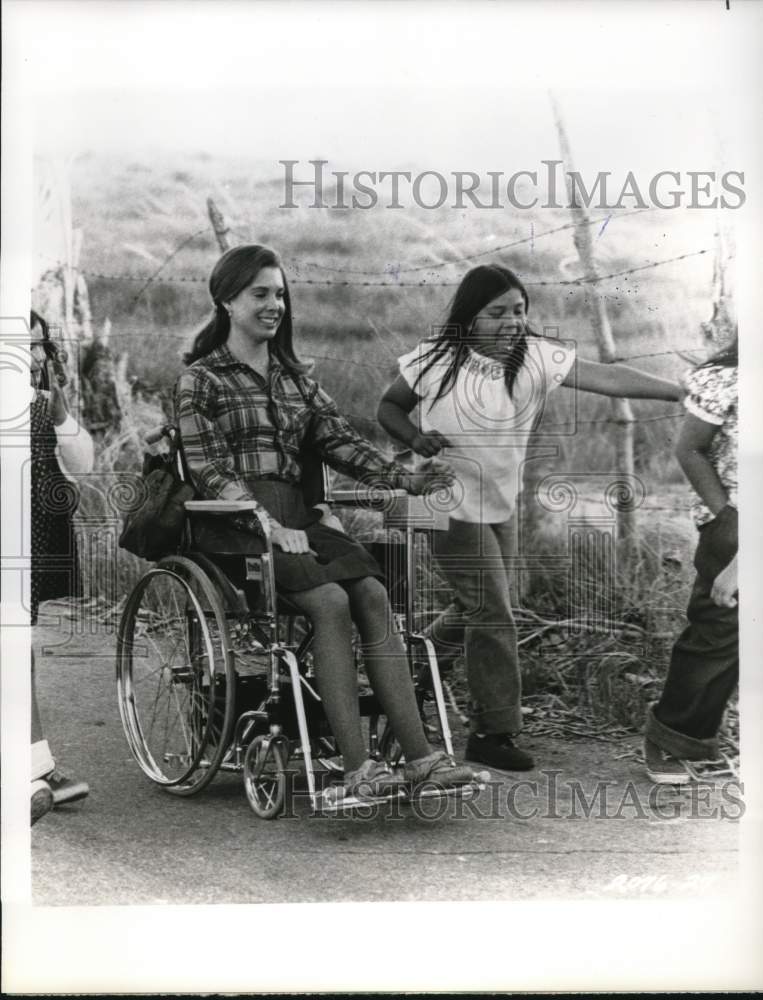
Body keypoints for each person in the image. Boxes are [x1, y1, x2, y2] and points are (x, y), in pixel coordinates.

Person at [174, 244, 479, 804]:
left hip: (300, 519)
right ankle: (358, 769)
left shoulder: (296, 381)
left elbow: (341, 443)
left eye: (280, 294)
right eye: (260, 294)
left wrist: (404, 479)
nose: (275, 305)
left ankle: (421, 760)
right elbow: (208, 469)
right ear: (227, 301)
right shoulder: (202, 381)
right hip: (234, 524)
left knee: (371, 593)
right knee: (330, 601)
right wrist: (266, 522)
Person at [378, 264, 683, 773]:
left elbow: (608, 378)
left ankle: (411, 664)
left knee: (490, 603)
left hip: (499, 502)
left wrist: (679, 391)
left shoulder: (536, 356)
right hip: (443, 500)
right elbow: (389, 407)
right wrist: (414, 439)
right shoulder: (436, 358)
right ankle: (492, 732)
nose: (511, 322)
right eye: (496, 313)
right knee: (492, 610)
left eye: (519, 311)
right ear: (469, 318)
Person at [643, 331, 738, 783]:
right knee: (722, 629)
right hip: (738, 519)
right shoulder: (730, 380)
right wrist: (728, 516)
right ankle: (676, 736)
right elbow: (689, 448)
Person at [29, 309, 93, 824]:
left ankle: (34, 767)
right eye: (19, 346)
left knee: (17, 649)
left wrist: (61, 417)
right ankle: (34, 768)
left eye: (39, 345)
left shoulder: (42, 404)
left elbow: (82, 463)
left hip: (28, 539)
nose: (33, 357)